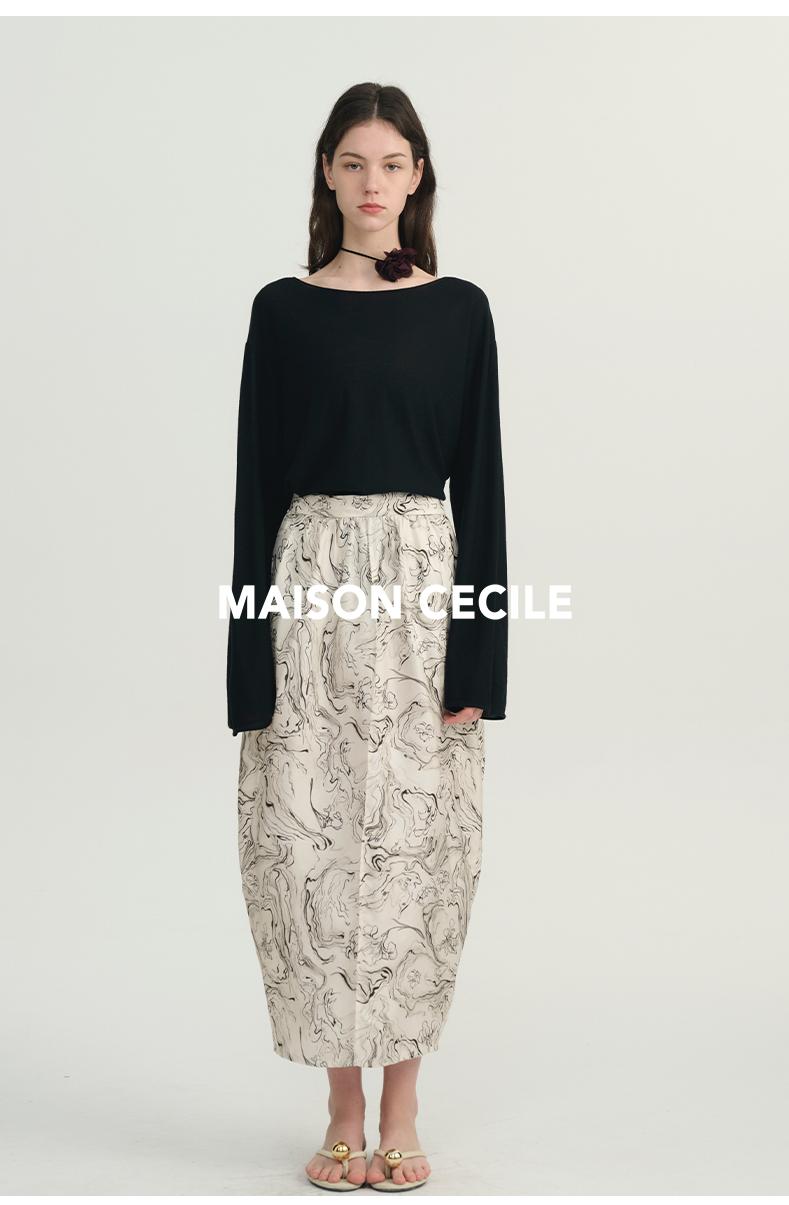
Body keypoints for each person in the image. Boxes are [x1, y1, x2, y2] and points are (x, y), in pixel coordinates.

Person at [227, 81, 507, 1192]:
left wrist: (480, 654)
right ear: (327, 175)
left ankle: (402, 1102)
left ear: (418, 175)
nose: (373, 182)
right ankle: (340, 1102)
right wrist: (247, 657)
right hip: (307, 593)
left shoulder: (460, 311)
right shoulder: (282, 311)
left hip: (422, 602)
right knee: (308, 848)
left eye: (392, 163)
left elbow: (482, 488)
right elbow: (254, 488)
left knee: (415, 853)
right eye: (353, 162)